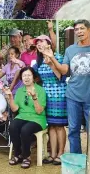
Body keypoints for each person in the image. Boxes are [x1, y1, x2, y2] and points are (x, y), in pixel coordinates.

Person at [45, 19, 90, 153]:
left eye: (82, 28)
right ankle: (77, 162)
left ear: (88, 30)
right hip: (73, 96)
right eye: (76, 29)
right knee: (73, 129)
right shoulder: (70, 50)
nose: (79, 32)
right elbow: (64, 70)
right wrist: (52, 58)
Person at [33, 35, 67, 165]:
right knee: (51, 126)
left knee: (59, 126)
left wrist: (51, 62)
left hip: (59, 95)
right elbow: (33, 76)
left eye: (41, 41)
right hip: (46, 96)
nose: (39, 44)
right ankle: (52, 154)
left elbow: (61, 77)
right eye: (37, 43)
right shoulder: (39, 61)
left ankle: (61, 153)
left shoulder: (57, 56)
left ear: (48, 43)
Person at [6, 67, 47, 169]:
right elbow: (15, 109)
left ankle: (26, 157)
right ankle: (18, 154)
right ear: (21, 78)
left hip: (37, 119)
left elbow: (39, 111)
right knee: (13, 127)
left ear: (33, 77)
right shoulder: (20, 91)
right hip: (22, 116)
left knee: (25, 130)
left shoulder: (40, 90)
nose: (26, 78)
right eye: (24, 76)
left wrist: (34, 97)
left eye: (29, 75)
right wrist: (10, 98)